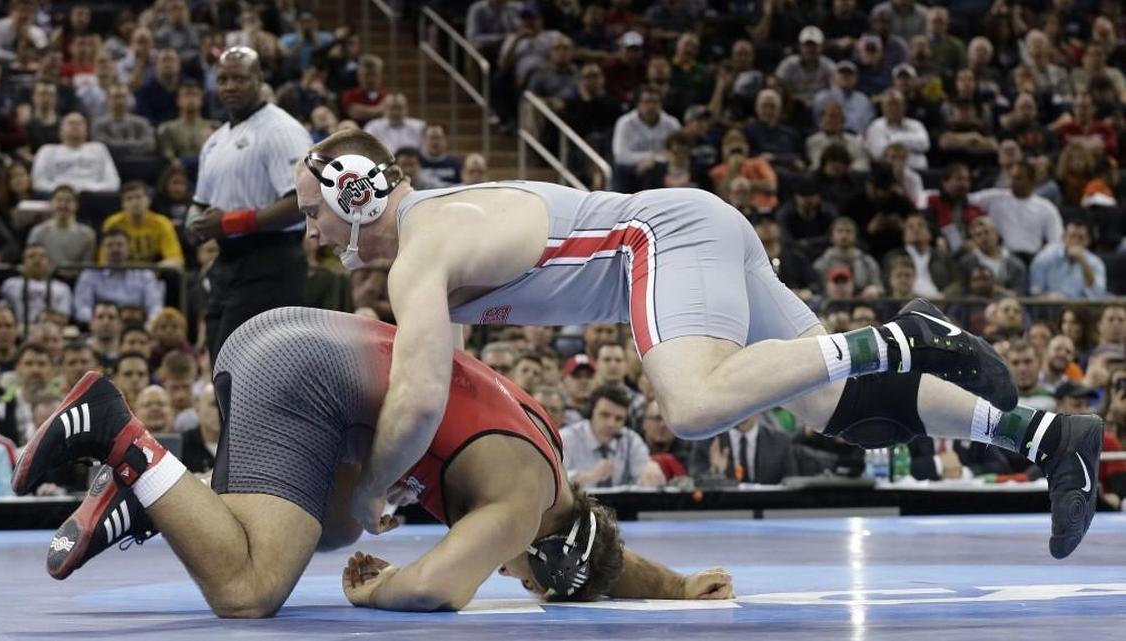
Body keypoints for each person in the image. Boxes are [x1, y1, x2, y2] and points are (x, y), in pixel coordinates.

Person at [297, 128, 1104, 560]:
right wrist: (404, 471)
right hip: (686, 231)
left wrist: (369, 488)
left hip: (659, 236)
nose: (313, 236)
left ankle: (900, 334)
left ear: (357, 192)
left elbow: (419, 393)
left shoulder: (423, 248)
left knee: (691, 403)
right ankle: (1048, 434)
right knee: (836, 406)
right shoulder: (437, 232)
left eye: (313, 214)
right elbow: (435, 390)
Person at [14, 307, 733, 616]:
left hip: (279, 342)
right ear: (538, 557)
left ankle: (145, 496)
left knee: (332, 531)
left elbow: (594, 551)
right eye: (525, 581)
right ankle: (122, 434)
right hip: (302, 376)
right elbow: (435, 591)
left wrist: (674, 586)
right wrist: (380, 590)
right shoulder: (521, 511)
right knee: (249, 590)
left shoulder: (551, 478)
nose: (509, 577)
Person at [185, 47, 312, 363]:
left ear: (259, 79)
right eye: (223, 79)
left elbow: (302, 201)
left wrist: (230, 223)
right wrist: (192, 225)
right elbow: (200, 202)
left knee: (252, 371)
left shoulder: (281, 130)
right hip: (227, 262)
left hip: (272, 262)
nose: (229, 86)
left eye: (239, 78)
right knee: (221, 369)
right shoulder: (215, 140)